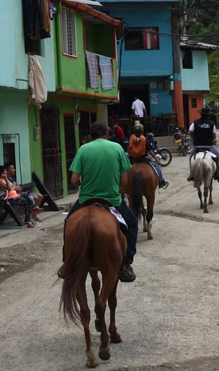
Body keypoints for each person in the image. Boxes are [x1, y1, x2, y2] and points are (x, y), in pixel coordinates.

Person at [66, 121, 138, 282]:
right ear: (107, 134)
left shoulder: (83, 149)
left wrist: (82, 183)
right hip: (112, 201)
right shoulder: (117, 148)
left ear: (90, 137)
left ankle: (67, 261)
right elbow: (124, 180)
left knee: (67, 222)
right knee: (132, 224)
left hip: (86, 200)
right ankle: (126, 264)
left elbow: (74, 179)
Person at [188, 106, 219, 181]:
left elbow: (189, 132)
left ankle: (192, 175)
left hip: (197, 146)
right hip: (209, 146)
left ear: (201, 114)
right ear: (208, 115)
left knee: (191, 158)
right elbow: (214, 136)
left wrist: (195, 136)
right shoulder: (211, 123)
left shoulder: (195, 122)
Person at [127, 121, 168, 189]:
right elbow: (150, 151)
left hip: (132, 158)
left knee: (122, 166)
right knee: (157, 166)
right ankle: (161, 181)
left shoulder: (131, 138)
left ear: (134, 131)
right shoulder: (145, 139)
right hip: (143, 157)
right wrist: (156, 159)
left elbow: (129, 149)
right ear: (142, 131)